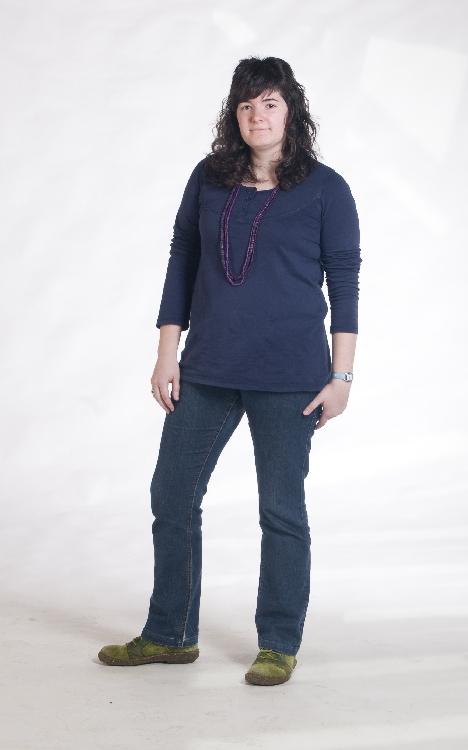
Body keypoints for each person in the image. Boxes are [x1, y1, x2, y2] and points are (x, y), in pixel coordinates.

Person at [98, 56, 361, 686]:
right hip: (209, 368)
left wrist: (342, 377)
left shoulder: (326, 188)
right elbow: (181, 260)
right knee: (172, 495)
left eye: (269, 103)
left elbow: (346, 282)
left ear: (291, 112)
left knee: (281, 510)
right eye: (246, 105)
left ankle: (278, 642)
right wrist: (167, 351)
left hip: (291, 376)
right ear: (233, 115)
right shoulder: (208, 178)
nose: (257, 115)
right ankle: (170, 633)